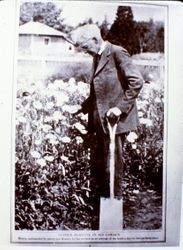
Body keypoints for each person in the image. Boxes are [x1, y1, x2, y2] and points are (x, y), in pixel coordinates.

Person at [71, 24, 144, 199]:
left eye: (86, 47)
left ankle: (115, 204)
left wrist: (120, 107)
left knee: (114, 165)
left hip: (116, 121)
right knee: (103, 164)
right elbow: (98, 91)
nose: (85, 52)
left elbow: (137, 81)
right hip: (102, 121)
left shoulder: (118, 53)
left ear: (95, 40)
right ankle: (104, 201)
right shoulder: (97, 56)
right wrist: (83, 107)